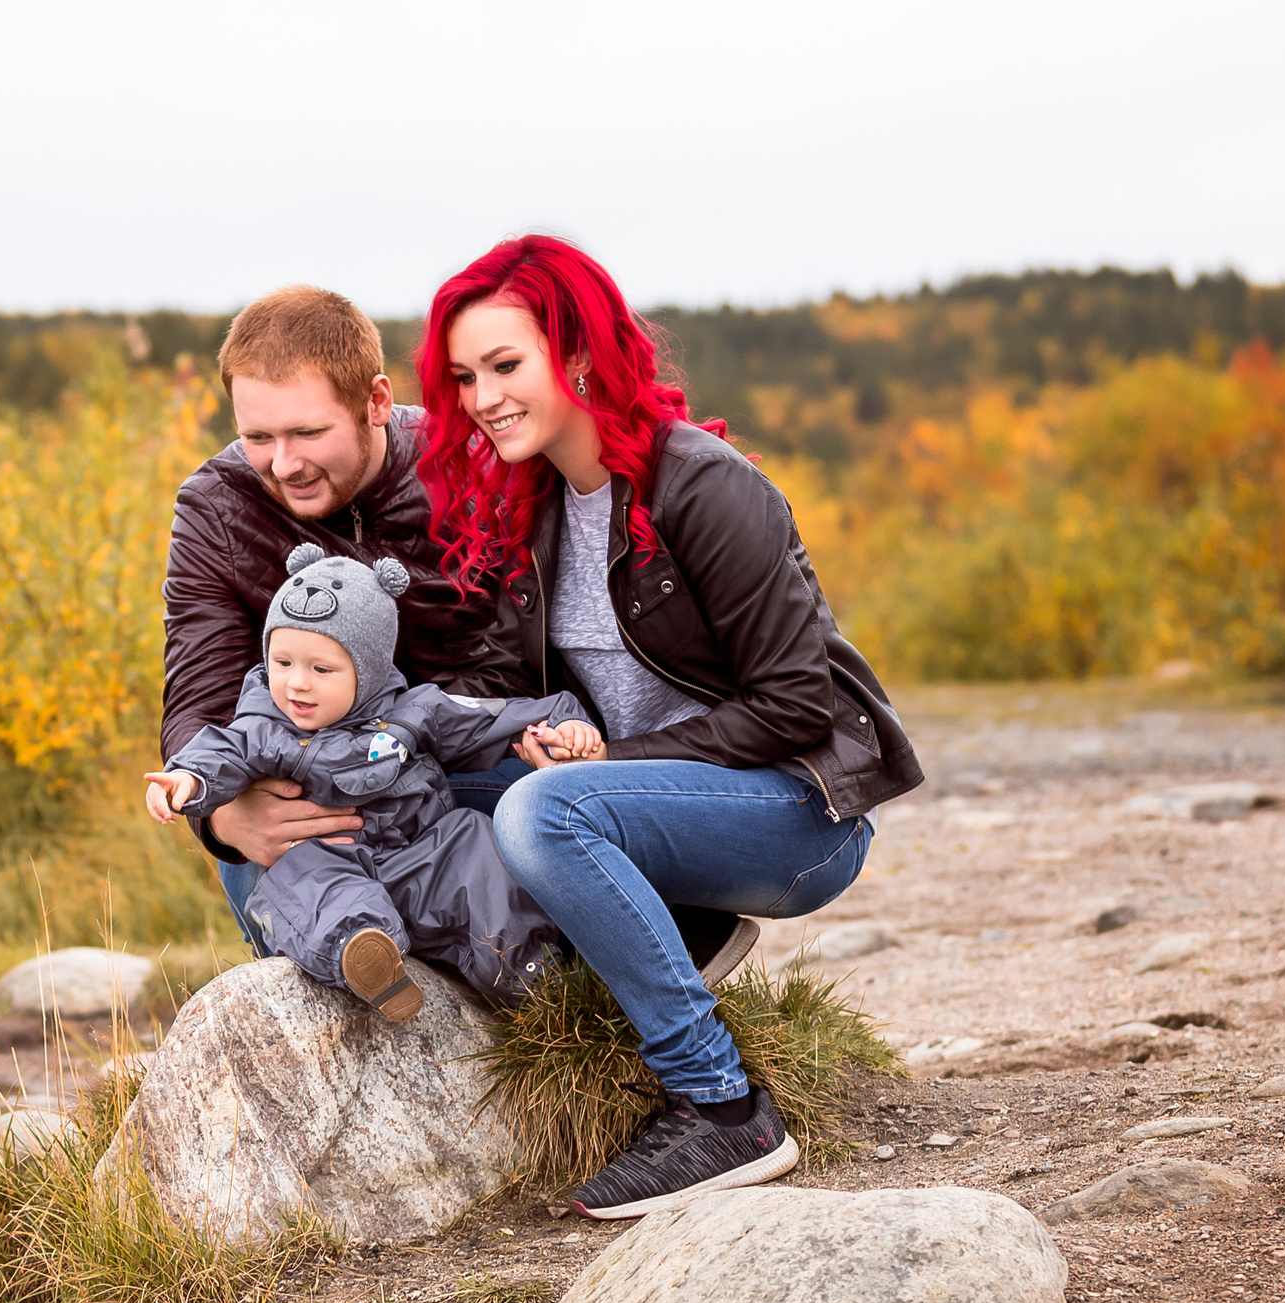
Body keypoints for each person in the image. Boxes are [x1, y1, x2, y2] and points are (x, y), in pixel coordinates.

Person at [412, 234, 925, 1218]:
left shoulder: (705, 485)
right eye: (467, 376)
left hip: (798, 816)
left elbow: (794, 705)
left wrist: (608, 758)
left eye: (504, 366)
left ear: (577, 355)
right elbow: (504, 679)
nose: (482, 397)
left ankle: (720, 1105)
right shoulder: (534, 506)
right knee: (398, 773)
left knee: (543, 816)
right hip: (640, 801)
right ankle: (644, 933)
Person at [159, 285, 762, 983]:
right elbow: (198, 694)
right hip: (317, 766)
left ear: (376, 402)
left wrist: (424, 735)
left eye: (308, 433)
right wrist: (222, 819)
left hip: (469, 749)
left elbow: (537, 649)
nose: (283, 463)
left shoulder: (473, 462)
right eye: (258, 437)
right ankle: (355, 1025)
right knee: (264, 832)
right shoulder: (215, 508)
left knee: (528, 802)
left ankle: (598, 977)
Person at [146, 544, 603, 1021]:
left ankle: (532, 980)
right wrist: (185, 779)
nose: (296, 684)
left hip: (419, 856)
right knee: (302, 879)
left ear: (369, 669)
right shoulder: (266, 725)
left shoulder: (414, 711)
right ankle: (368, 959)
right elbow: (220, 749)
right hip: (332, 854)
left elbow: (495, 719)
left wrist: (563, 727)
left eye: (321, 669)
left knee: (472, 842)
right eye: (282, 663)